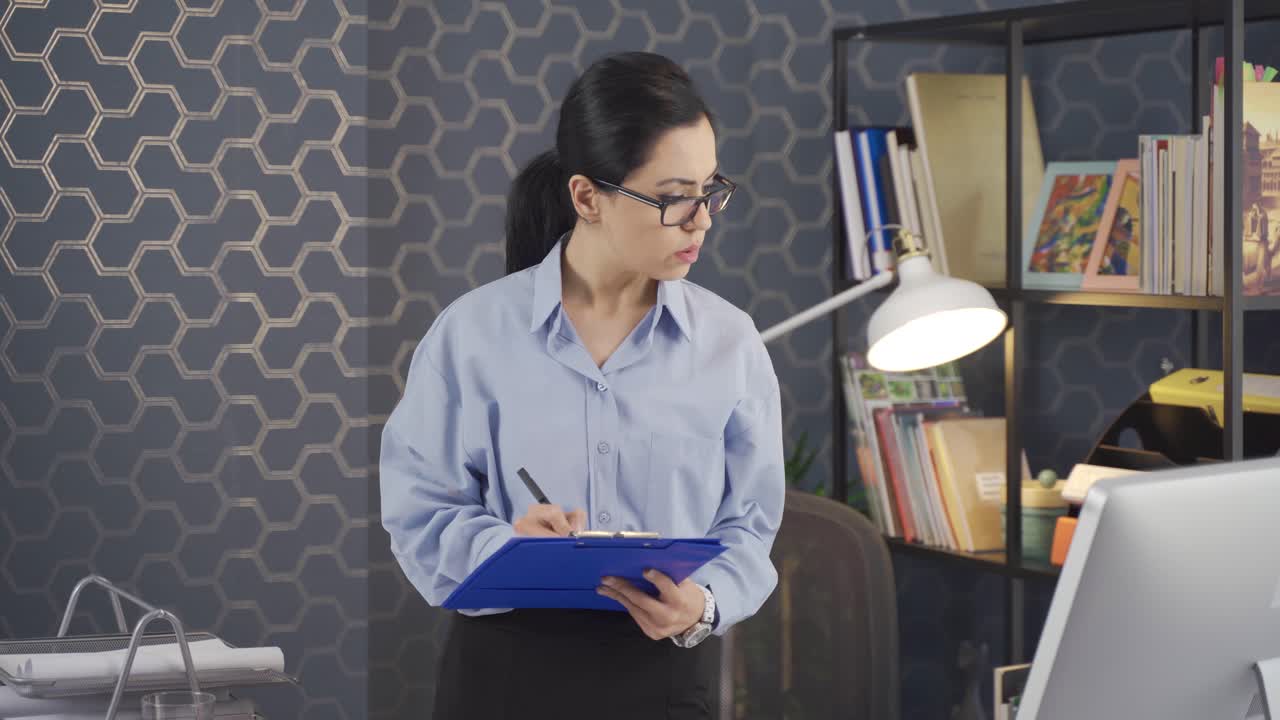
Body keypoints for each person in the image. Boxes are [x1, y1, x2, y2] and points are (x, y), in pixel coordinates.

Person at [379, 51, 785, 719]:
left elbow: (750, 523)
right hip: (506, 678)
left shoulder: (730, 344)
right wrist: (507, 546)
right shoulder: (471, 335)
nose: (702, 219)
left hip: (666, 679)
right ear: (587, 197)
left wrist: (704, 603)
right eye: (674, 197)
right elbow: (420, 513)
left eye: (710, 189)